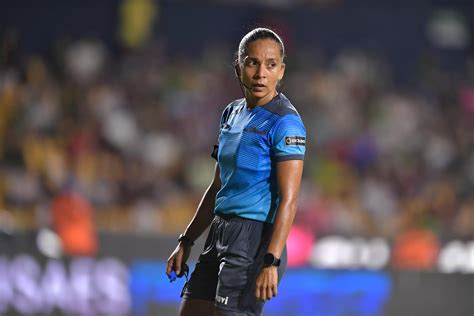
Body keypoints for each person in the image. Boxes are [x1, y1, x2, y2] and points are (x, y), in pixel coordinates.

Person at [166, 27, 306, 316]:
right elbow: (218, 185)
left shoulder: (286, 123)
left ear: (281, 71)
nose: (260, 73)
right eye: (252, 62)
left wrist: (271, 261)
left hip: (255, 240)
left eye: (270, 65)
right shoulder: (231, 113)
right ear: (238, 66)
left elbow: (289, 200)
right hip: (219, 230)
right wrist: (187, 239)